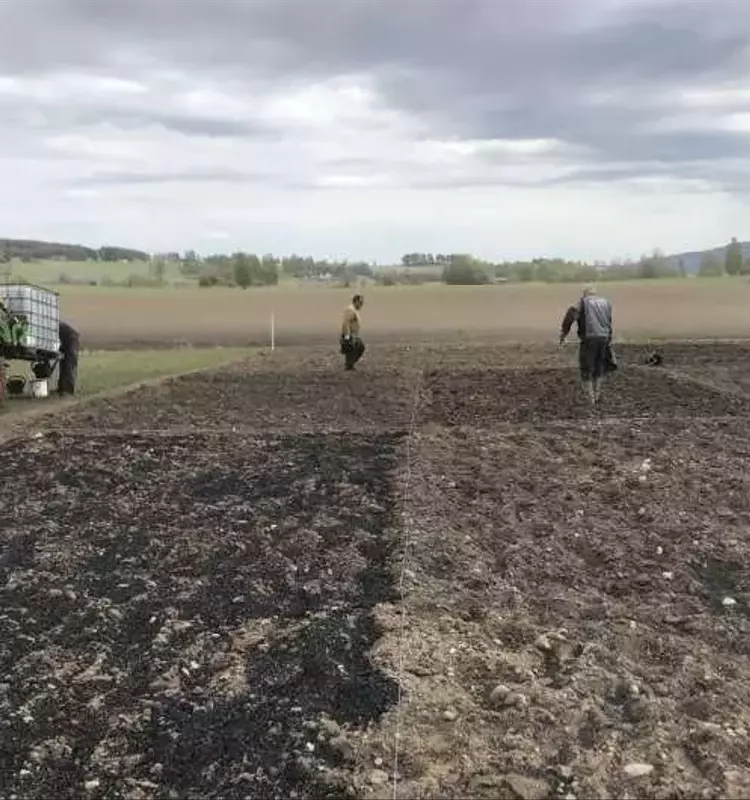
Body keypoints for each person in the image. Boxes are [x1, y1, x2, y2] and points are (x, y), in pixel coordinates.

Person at [559, 286, 614, 406]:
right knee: (599, 366)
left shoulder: (583, 302)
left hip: (589, 338)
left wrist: (564, 333)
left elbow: (571, 315)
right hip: (603, 338)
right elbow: (609, 321)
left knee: (586, 367)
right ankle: (597, 395)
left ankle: (590, 399)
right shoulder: (605, 302)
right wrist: (609, 339)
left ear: (585, 294)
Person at [340, 294, 365, 371]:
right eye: (360, 303)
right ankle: (349, 366)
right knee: (354, 349)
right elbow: (346, 323)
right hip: (349, 335)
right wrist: (347, 336)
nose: (361, 305)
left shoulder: (354, 310)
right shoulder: (350, 310)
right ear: (356, 301)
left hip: (353, 335)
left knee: (356, 349)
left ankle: (349, 365)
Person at [57, 320, 80, 395]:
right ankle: (62, 388)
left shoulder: (53, 326)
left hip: (71, 339)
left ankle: (68, 390)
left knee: (69, 364)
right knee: (63, 364)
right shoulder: (54, 324)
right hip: (65, 340)